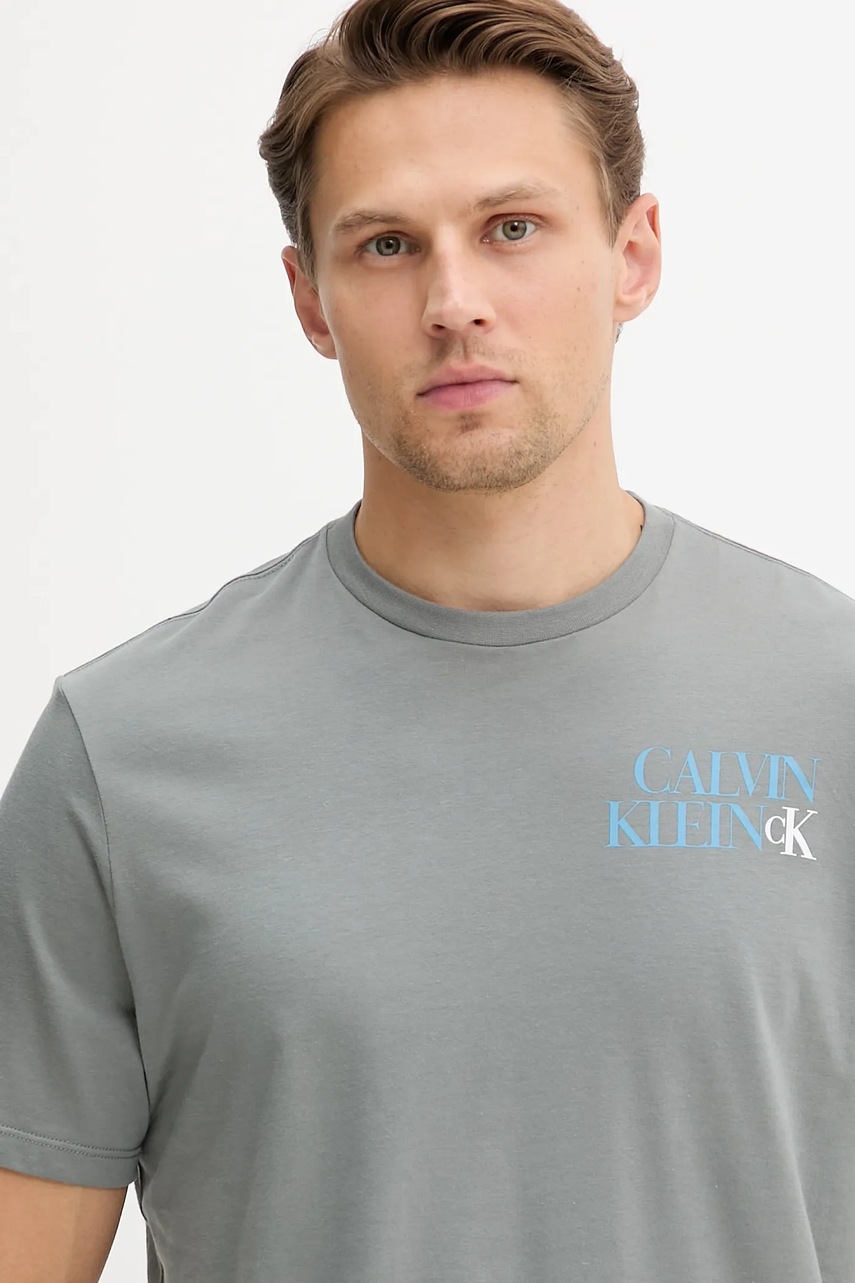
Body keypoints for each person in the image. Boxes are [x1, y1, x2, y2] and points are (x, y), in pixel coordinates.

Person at [1, 0, 853, 1279]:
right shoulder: (119, 760)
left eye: (512, 228)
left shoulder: (831, 702)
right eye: (388, 245)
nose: (455, 303)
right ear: (311, 298)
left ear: (633, 255)